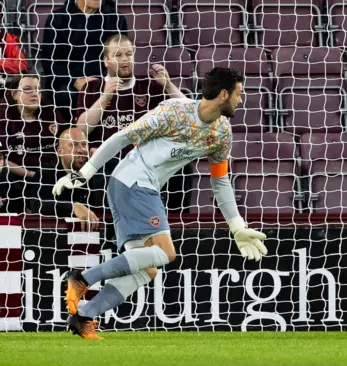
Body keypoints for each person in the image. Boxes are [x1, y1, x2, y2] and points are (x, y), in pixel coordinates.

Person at [52, 67, 268, 339]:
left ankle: (84, 318)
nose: (241, 99)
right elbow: (123, 137)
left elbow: (220, 181)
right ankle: (82, 279)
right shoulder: (175, 112)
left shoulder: (221, 133)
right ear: (223, 94)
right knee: (166, 253)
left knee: (147, 269)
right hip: (133, 181)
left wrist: (237, 227)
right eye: (239, 94)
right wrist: (84, 173)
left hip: (134, 187)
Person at [75, 33, 192, 213]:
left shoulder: (150, 86)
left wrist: (168, 85)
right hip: (108, 160)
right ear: (106, 61)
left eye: (128, 54)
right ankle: (108, 225)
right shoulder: (92, 87)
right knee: (105, 161)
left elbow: (190, 113)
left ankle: (177, 222)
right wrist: (106, 96)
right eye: (118, 55)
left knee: (183, 162)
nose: (124, 60)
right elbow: (81, 129)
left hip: (146, 160)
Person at [39, 0, 128, 123]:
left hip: (103, 79)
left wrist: (102, 81)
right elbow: (49, 60)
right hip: (67, 82)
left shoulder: (116, 19)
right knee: (65, 95)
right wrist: (74, 80)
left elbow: (121, 57)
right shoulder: (58, 18)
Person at [0, 74, 67, 213]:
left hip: (50, 174)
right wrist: (30, 174)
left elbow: (66, 142)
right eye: (27, 89)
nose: (34, 94)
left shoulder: (51, 113)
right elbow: (2, 160)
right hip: (17, 175)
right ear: (14, 94)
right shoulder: (3, 117)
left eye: (37, 89)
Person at [29, 128, 102, 230]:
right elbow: (37, 205)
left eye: (84, 144)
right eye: (74, 145)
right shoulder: (47, 172)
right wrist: (73, 207)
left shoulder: (96, 173)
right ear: (60, 152)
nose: (81, 150)